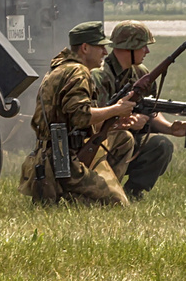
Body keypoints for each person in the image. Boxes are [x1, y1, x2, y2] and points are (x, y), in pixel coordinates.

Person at [19, 20, 137, 206]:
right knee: (118, 203)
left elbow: (74, 118)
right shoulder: (78, 72)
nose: (105, 53)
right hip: (63, 162)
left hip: (53, 156)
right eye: (100, 47)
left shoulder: (61, 69)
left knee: (123, 137)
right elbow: (80, 116)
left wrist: (112, 120)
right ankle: (73, 199)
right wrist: (116, 109)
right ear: (85, 48)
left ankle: (87, 191)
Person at [97, 20, 186, 201]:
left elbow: (150, 108)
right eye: (143, 46)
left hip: (127, 142)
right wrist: (125, 121)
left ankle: (132, 193)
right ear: (130, 47)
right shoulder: (100, 75)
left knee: (161, 145)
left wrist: (169, 128)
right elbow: (93, 118)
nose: (147, 51)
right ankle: (104, 190)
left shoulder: (141, 73)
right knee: (124, 139)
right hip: (101, 143)